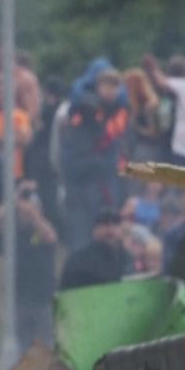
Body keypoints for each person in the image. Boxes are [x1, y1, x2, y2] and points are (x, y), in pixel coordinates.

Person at [60, 67, 128, 250]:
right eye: (106, 85)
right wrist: (99, 164)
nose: (110, 91)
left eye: (115, 86)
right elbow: (70, 164)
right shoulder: (79, 118)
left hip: (106, 192)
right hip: (81, 193)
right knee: (81, 242)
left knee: (108, 242)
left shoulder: (117, 114)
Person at [0, 178, 59, 354]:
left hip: (43, 297)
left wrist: (34, 215)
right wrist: (16, 196)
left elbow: (50, 237)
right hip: (19, 297)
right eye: (23, 212)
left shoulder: (45, 228)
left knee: (46, 343)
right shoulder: (12, 233)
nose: (26, 213)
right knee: (21, 344)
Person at [60, 211, 129, 289]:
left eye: (115, 224)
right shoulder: (79, 260)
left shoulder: (128, 259)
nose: (111, 230)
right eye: (105, 224)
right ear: (94, 229)